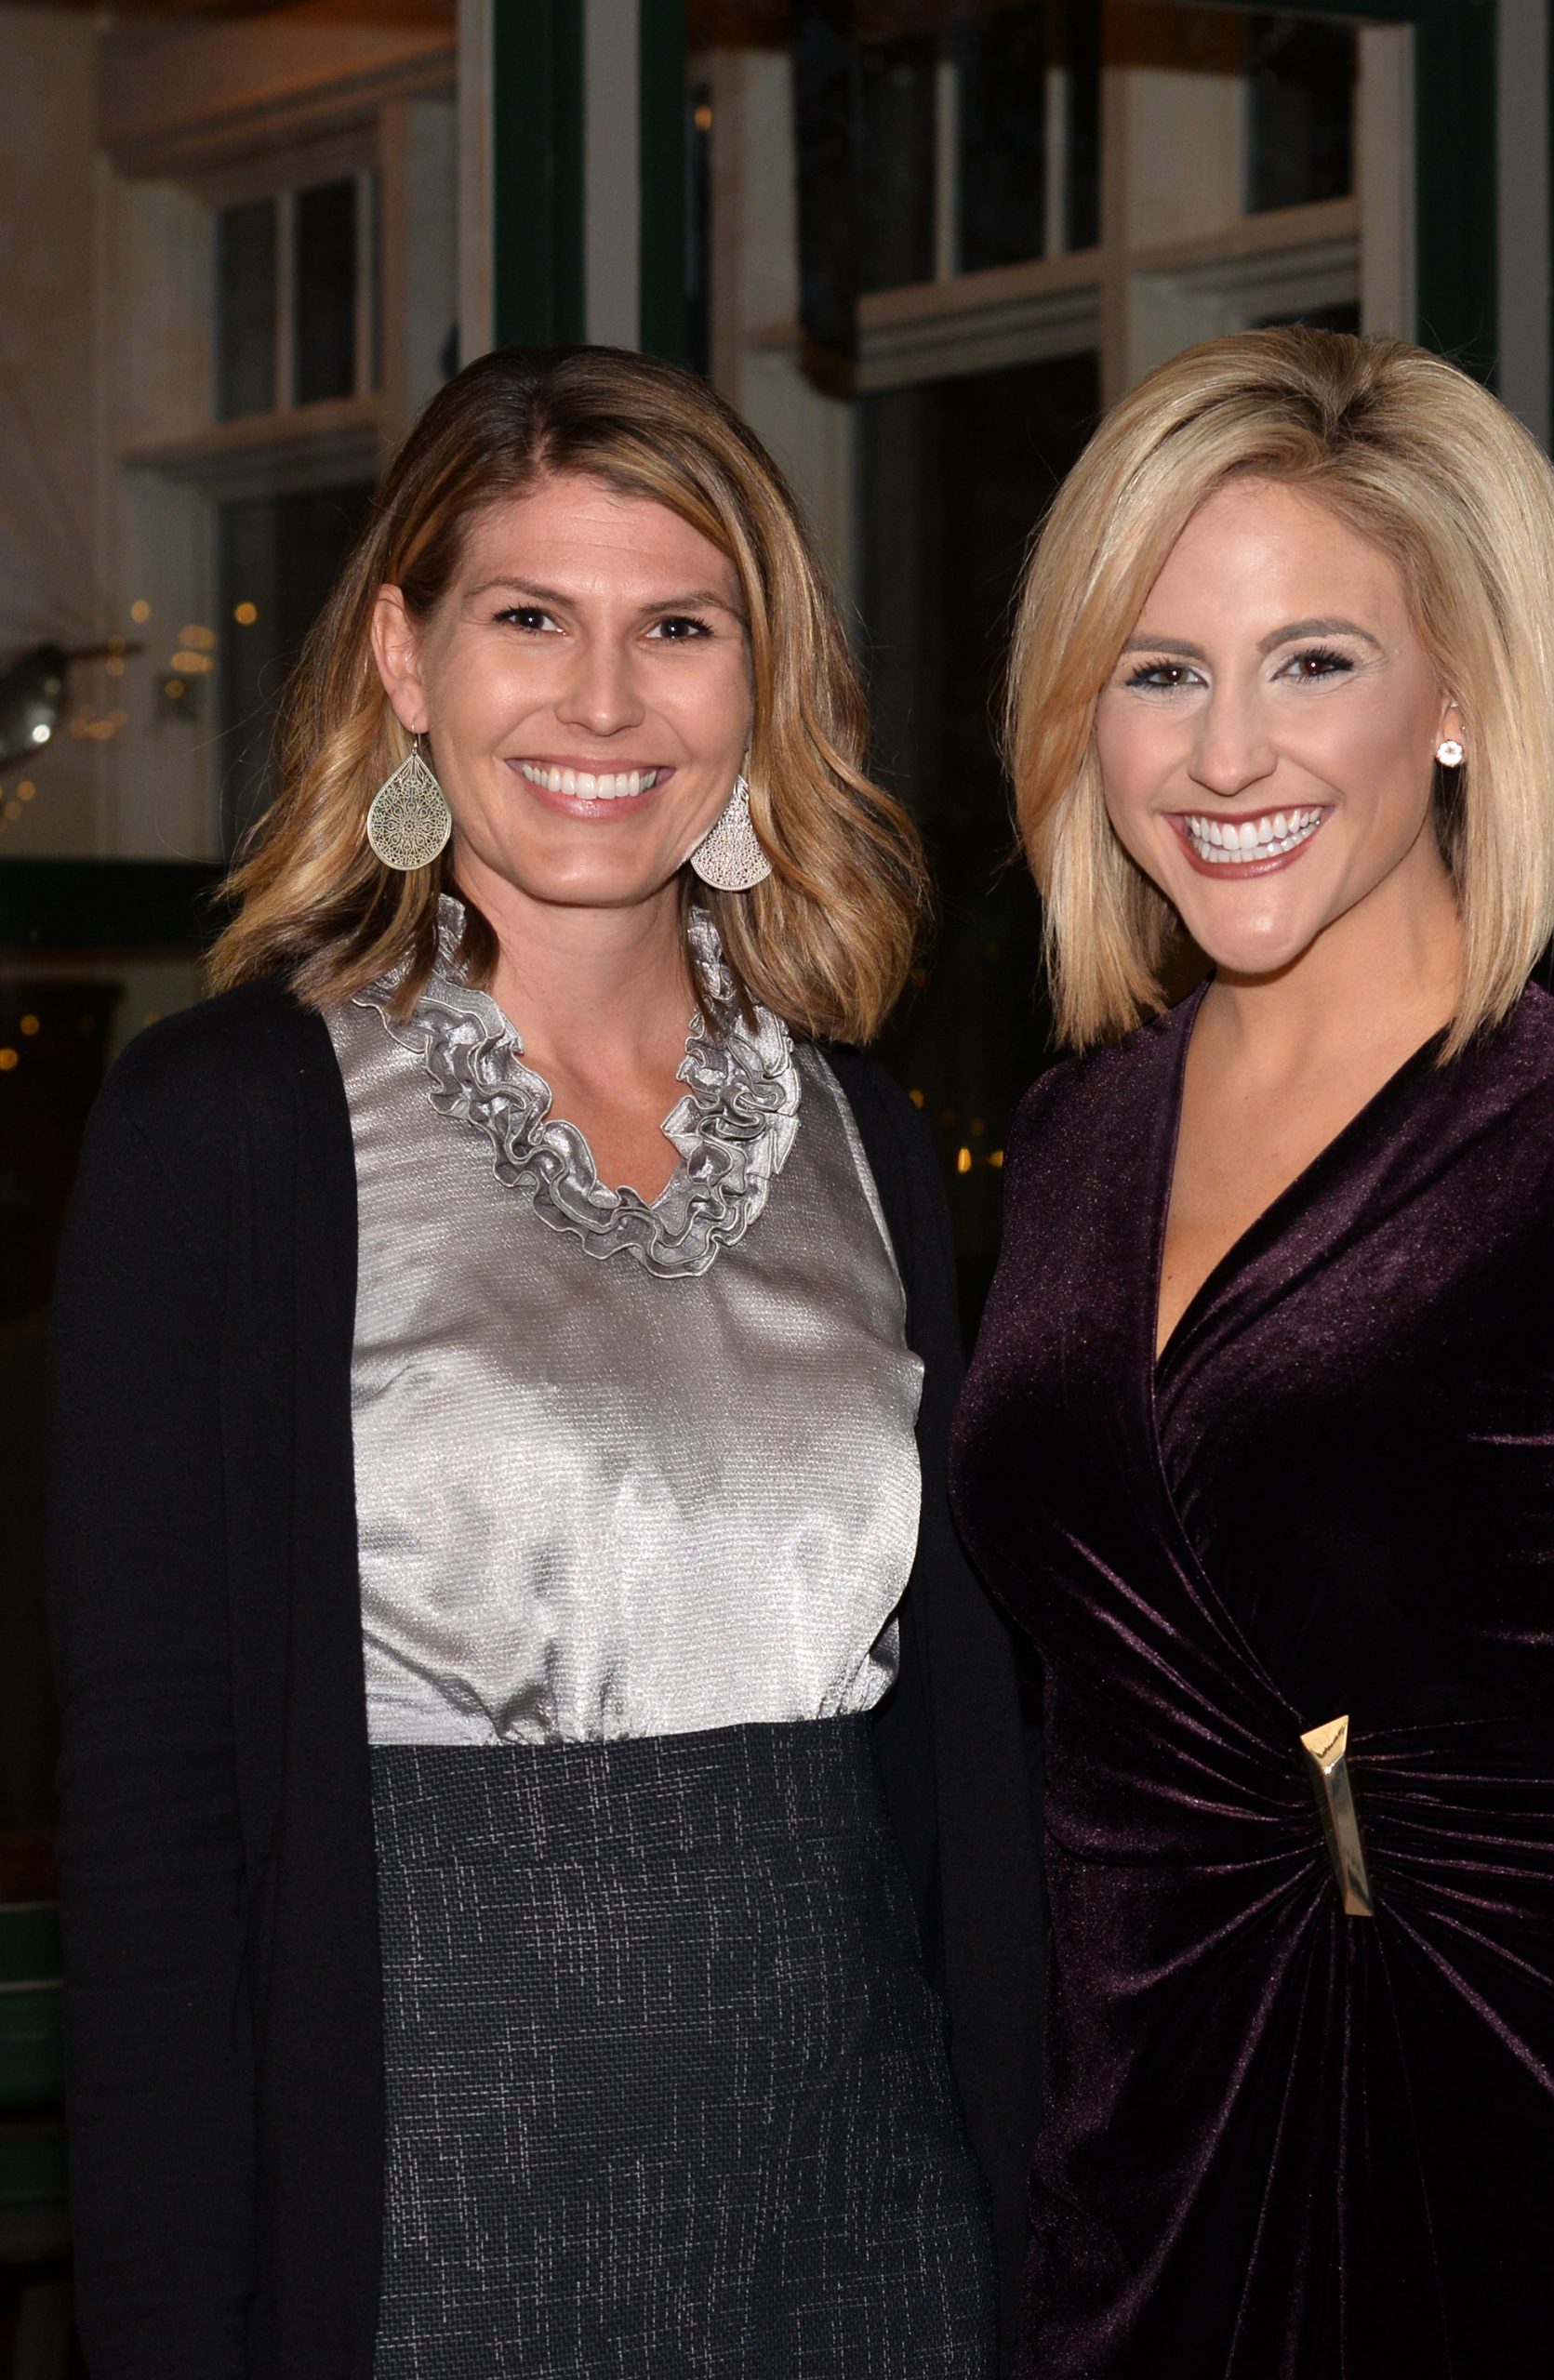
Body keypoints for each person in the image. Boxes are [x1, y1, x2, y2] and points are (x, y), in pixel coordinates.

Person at [49, 345, 1043, 2380]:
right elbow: (151, 1827)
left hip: (868, 2208)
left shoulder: (863, 1138)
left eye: (678, 628)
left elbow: (958, 1779)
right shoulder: (230, 1125)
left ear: (760, 682)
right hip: (425, 2204)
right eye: (530, 619)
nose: (604, 703)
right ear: (403, 657)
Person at [948, 327, 1554, 2377]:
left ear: (1458, 694)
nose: (1225, 756)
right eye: (1158, 672)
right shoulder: (1071, 1138)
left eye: (1312, 662)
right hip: (1144, 2195)